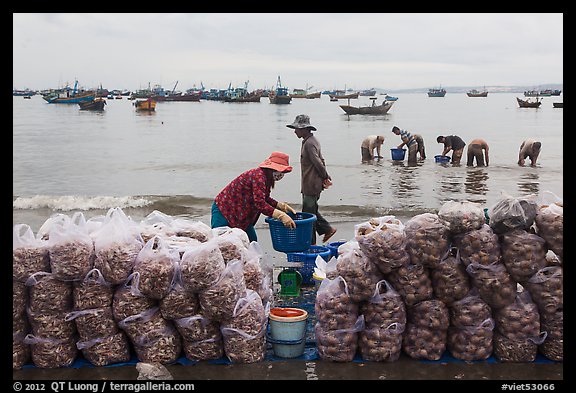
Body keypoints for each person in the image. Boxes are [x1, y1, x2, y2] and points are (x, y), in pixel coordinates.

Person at [211, 151, 297, 242]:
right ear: (272, 168)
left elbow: (265, 198)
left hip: (241, 215)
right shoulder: (259, 176)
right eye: (280, 171)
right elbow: (260, 204)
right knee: (220, 243)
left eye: (283, 172)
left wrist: (280, 206)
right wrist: (281, 215)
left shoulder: (266, 178)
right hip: (224, 210)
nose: (281, 175)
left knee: (251, 241)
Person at [287, 114, 337, 244]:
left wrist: (325, 176)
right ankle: (324, 232)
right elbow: (321, 160)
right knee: (311, 211)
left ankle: (312, 241)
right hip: (310, 183)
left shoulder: (309, 144)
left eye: (297, 129)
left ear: (304, 129)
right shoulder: (310, 141)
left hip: (311, 184)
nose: (295, 131)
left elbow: (318, 162)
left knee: (308, 215)